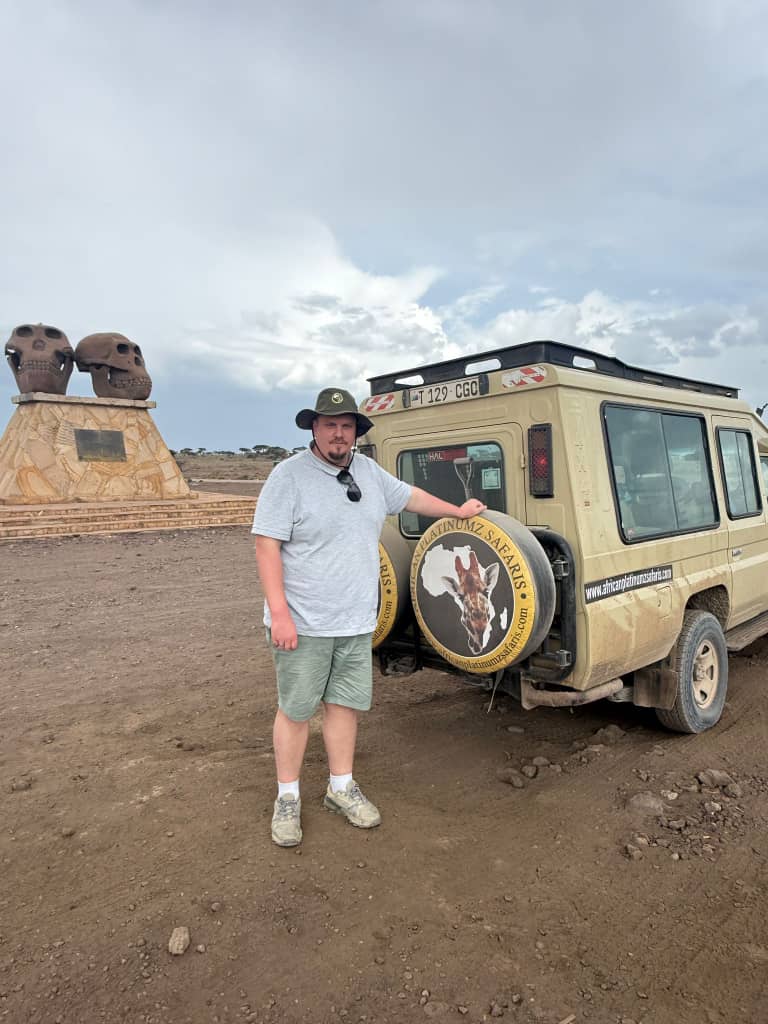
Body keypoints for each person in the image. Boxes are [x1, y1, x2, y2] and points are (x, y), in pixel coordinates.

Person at [253, 387, 486, 847]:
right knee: (296, 711)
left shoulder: (369, 473)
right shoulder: (288, 477)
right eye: (329, 425)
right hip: (304, 622)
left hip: (356, 621)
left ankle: (341, 788)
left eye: (346, 426)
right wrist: (280, 614)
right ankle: (287, 798)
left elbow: (413, 496)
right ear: (314, 429)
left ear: (356, 433)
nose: (338, 434)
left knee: (344, 707)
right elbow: (266, 545)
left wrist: (457, 511)